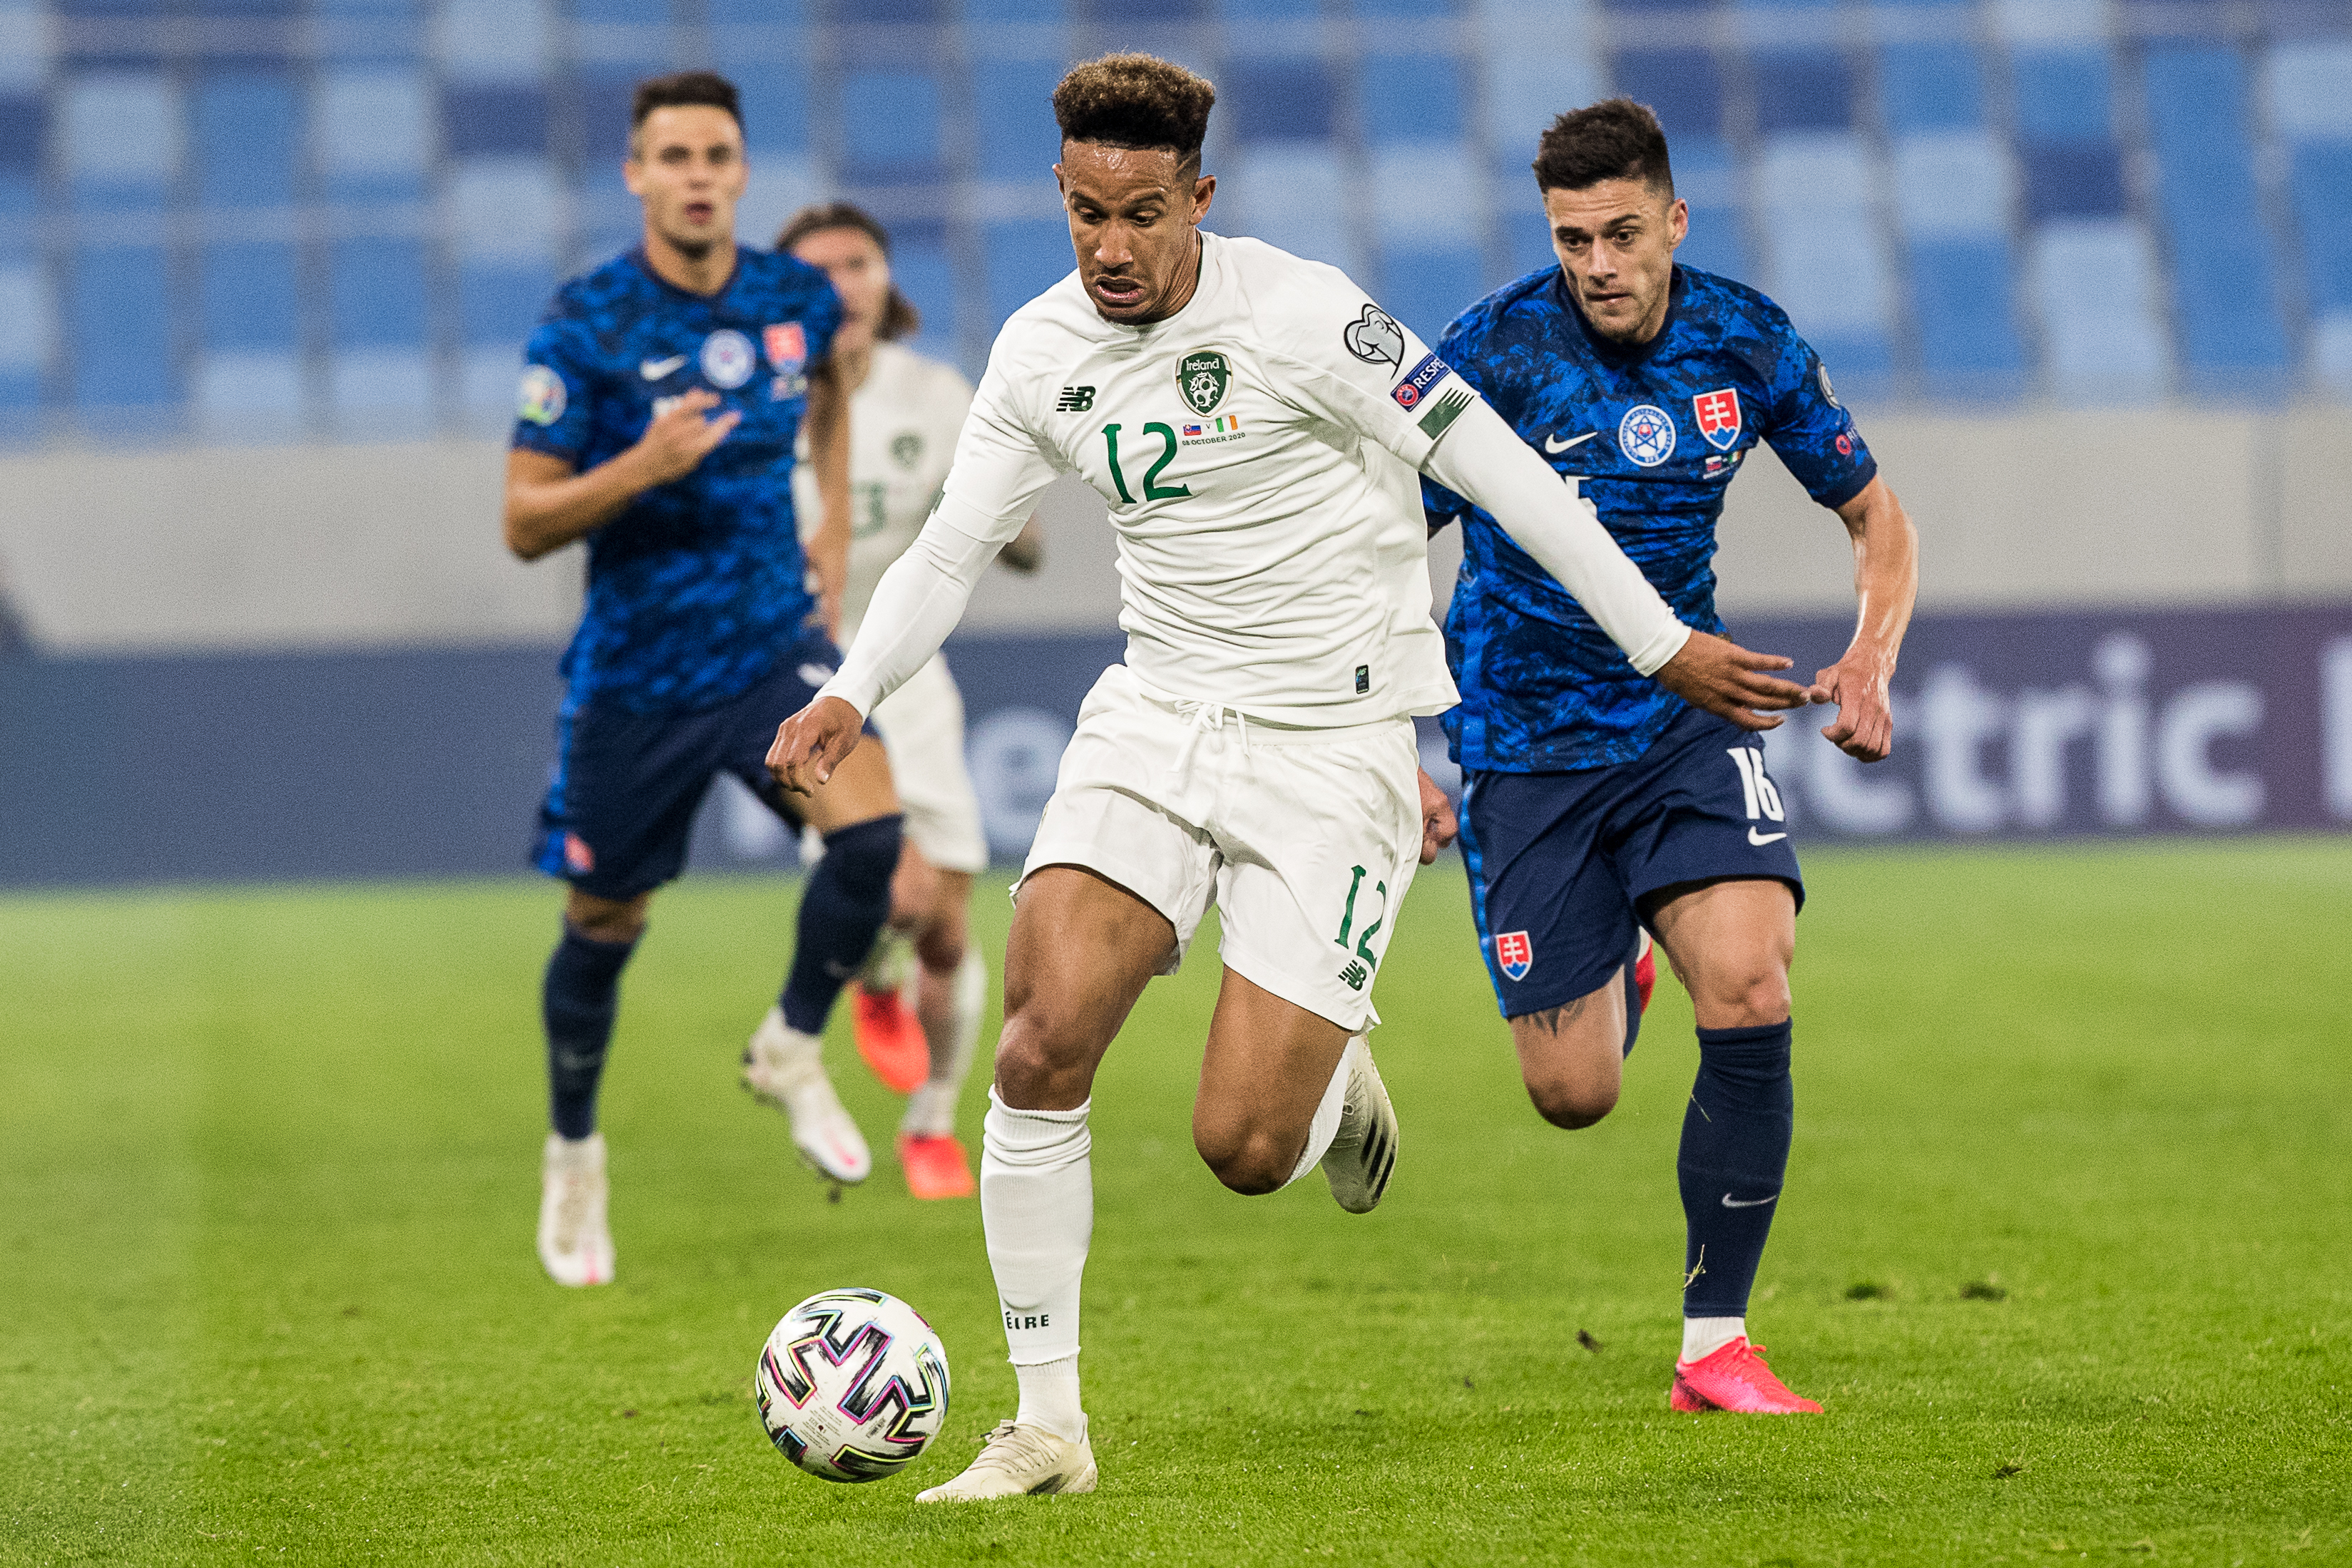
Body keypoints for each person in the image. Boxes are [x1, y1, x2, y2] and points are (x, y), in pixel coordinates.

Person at [769, 56, 1814, 1499]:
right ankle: (1047, 1424)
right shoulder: (1035, 351)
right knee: (1036, 1040)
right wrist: (847, 688)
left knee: (1243, 1148)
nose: (1111, 247)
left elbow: (1509, 471)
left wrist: (1659, 641)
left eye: (1140, 213)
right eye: (1083, 213)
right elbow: (952, 543)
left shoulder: (1312, 318)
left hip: (1331, 749)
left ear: (1197, 195)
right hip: (1154, 716)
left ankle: (1330, 1081)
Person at [1423, 98, 1920, 1414]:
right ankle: (1620, 955)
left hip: (1684, 723)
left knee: (1752, 985)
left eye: (1621, 234)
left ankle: (1715, 1344)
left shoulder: (1743, 338)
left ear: (1673, 221)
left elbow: (1875, 518)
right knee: (1573, 1093)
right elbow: (1374, 538)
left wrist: (1869, 657)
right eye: (1572, 237)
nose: (1596, 264)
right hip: (1524, 751)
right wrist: (1382, 734)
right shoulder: (1492, 350)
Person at [503, 71, 906, 1288]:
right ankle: (574, 1154)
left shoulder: (795, 298)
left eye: (715, 156)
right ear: (636, 174)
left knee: (874, 839)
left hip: (767, 650)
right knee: (604, 924)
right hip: (633, 676)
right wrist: (639, 464)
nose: (694, 176)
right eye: (670, 155)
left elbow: (832, 401)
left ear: (740, 174)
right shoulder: (586, 324)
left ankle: (789, 1044)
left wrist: (829, 538)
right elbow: (523, 522)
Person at [778, 201, 1046, 1201]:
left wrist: (1007, 526)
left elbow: (1013, 533)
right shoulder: (755, 405)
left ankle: (933, 1119)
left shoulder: (936, 394)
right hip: (805, 677)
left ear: (886, 282)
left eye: (858, 262)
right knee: (888, 887)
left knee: (944, 921)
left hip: (909, 666)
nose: (841, 282)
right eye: (817, 267)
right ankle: (875, 971)